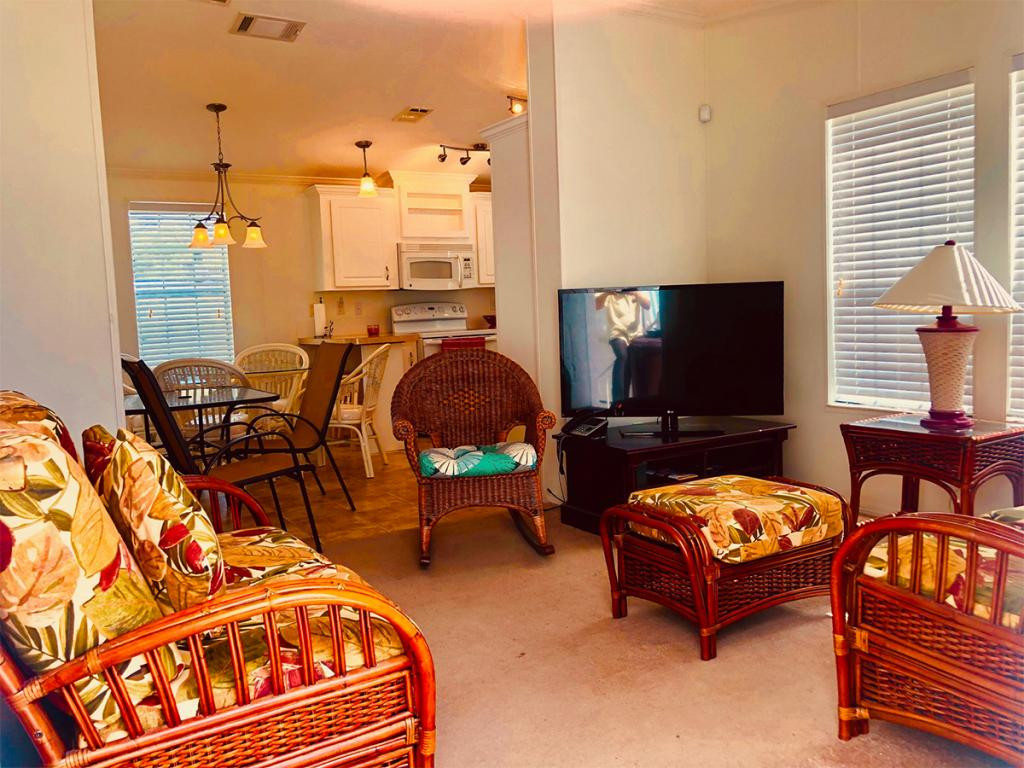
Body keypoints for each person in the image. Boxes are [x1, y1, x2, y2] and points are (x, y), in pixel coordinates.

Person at [595, 291, 651, 405]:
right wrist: (608, 292)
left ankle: (636, 400)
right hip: (617, 333)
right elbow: (596, 305)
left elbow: (647, 305)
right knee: (622, 356)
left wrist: (634, 292)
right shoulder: (609, 290)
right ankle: (618, 401)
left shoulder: (637, 288)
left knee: (633, 362)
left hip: (636, 334)